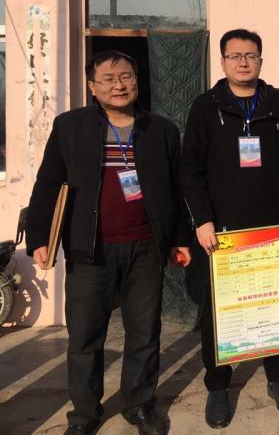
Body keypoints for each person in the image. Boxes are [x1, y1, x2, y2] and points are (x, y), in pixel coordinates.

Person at [26, 50, 191, 435]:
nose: (119, 85)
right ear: (92, 86)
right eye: (109, 79)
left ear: (137, 81)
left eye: (127, 77)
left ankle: (140, 405)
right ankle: (85, 414)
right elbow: (48, 183)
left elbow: (176, 189)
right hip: (90, 250)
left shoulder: (161, 130)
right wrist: (39, 237)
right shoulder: (71, 127)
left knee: (144, 332)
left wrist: (180, 239)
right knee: (85, 337)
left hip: (146, 248)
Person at [180, 29, 279, 428]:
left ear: (260, 60)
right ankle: (218, 386)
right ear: (222, 61)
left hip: (273, 230)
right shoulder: (206, 107)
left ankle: (278, 379)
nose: (243, 62)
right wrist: (202, 220)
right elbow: (191, 170)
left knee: (274, 306)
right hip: (223, 233)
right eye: (235, 55)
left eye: (250, 55)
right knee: (220, 313)